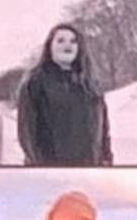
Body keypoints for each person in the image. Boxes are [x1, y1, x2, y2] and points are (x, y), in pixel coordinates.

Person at [16, 23, 112, 166]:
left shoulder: (91, 84)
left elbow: (103, 131)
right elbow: (27, 134)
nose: (68, 45)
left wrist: (107, 161)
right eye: (60, 40)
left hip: (91, 171)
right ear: (50, 46)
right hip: (51, 173)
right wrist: (43, 168)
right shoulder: (35, 82)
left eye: (73, 41)